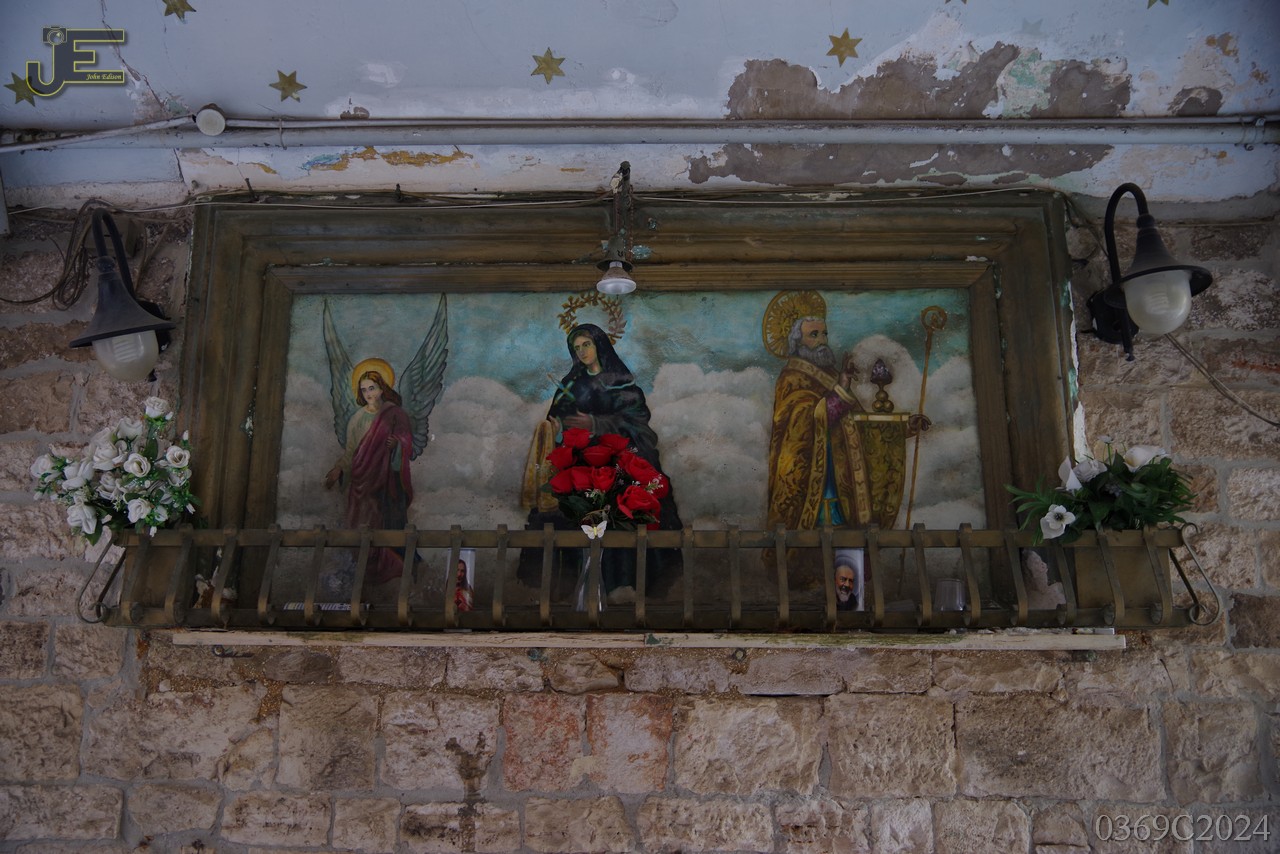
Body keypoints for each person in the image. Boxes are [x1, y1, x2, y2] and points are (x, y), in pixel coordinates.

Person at [764, 292, 928, 586]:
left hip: (842, 482)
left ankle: (848, 599)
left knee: (847, 551)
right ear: (797, 342)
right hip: (810, 483)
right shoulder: (791, 378)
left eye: (824, 333)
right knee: (810, 554)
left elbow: (858, 424)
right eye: (814, 334)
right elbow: (801, 421)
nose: (822, 340)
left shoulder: (831, 375)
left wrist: (902, 428)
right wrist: (839, 392)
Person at [519, 323, 683, 599]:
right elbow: (557, 421)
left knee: (635, 507)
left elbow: (639, 425)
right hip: (580, 463)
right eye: (577, 348)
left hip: (620, 461)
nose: (582, 352)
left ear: (600, 346)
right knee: (562, 510)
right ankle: (573, 588)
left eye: (587, 344)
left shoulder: (623, 383)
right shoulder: (571, 386)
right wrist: (556, 429)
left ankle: (629, 584)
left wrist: (595, 423)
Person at [324, 369, 414, 585]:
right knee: (360, 528)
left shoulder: (395, 414)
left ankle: (392, 569)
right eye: (364, 390)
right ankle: (363, 574)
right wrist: (338, 469)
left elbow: (406, 441)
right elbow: (351, 452)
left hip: (387, 482)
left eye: (372, 388)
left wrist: (397, 444)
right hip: (361, 482)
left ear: (382, 388)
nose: (368, 394)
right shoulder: (357, 419)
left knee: (386, 526)